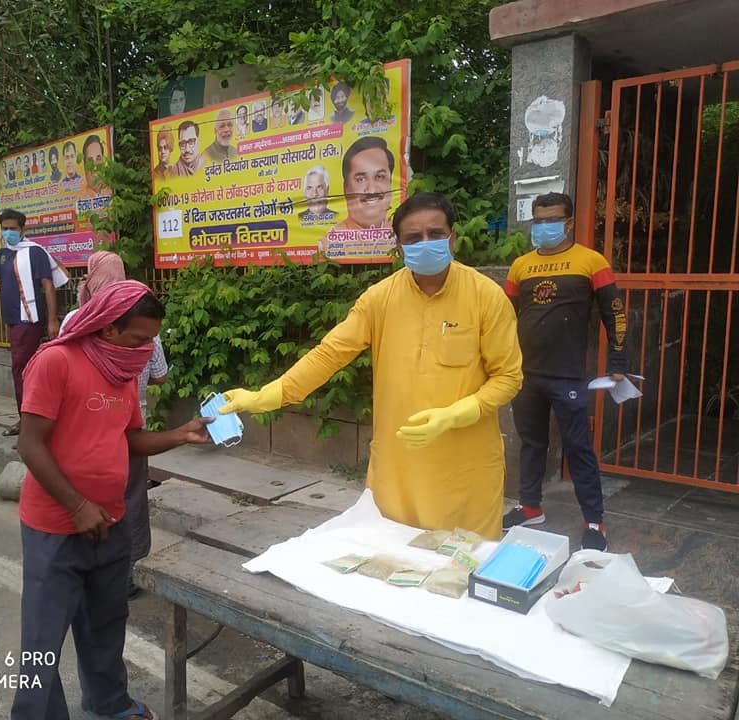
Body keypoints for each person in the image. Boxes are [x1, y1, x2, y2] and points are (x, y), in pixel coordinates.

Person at [221, 192, 522, 538]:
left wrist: (460, 412)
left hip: (465, 468)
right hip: (399, 466)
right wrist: (266, 396)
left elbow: (508, 376)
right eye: (413, 238)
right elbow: (329, 353)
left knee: (461, 571)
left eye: (435, 234)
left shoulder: (486, 296)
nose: (426, 243)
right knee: (393, 564)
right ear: (399, 246)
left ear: (452, 237)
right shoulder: (380, 298)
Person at [11, 280, 209, 720]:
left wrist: (179, 435)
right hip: (55, 528)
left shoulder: (120, 368)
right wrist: (77, 506)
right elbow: (30, 445)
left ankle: (108, 702)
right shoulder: (56, 362)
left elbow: (130, 438)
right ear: (107, 328)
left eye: (152, 339)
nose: (147, 348)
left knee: (105, 625)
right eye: (140, 338)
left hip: (111, 522)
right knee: (43, 638)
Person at [503, 192, 629, 551]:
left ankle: (594, 523)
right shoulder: (520, 266)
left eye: (552, 220)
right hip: (525, 373)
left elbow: (615, 314)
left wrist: (618, 361)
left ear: (569, 222)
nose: (544, 227)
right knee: (531, 443)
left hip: (569, 374)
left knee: (578, 448)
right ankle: (529, 508)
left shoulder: (591, 262)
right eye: (538, 220)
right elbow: (503, 318)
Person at [58, 252, 168, 598]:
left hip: (91, 430)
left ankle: (95, 571)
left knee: (94, 497)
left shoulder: (76, 320)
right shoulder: (144, 318)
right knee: (131, 499)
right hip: (126, 431)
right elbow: (161, 376)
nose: (142, 346)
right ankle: (128, 574)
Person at [0, 208, 68, 436]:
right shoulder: (5, 254)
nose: (8, 233)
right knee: (25, 370)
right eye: (4, 229)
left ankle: (28, 423)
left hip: (29, 320)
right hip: (13, 321)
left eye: (12, 229)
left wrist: (52, 320)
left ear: (23, 229)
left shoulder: (35, 252)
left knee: (21, 371)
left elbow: (48, 286)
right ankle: (30, 419)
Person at [333, 136, 394, 230]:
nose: (372, 190)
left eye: (380, 177)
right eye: (361, 179)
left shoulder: (401, 234)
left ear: (390, 184)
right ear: (346, 188)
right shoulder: (331, 242)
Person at [78, 134, 113, 199]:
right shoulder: (80, 198)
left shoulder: (112, 188)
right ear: (84, 165)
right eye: (90, 161)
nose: (95, 166)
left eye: (98, 159)